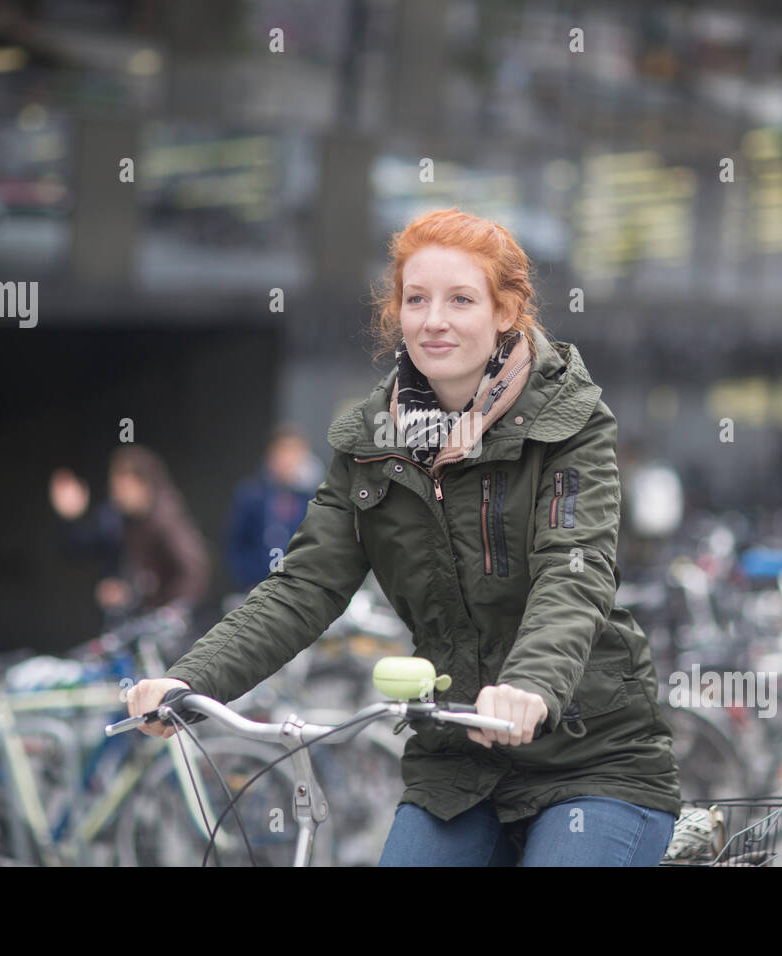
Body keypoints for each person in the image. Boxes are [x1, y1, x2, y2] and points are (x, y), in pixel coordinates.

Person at [126, 208, 682, 866]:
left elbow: (575, 568)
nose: (433, 319)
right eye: (415, 299)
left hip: (592, 756)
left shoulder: (569, 421)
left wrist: (530, 684)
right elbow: (305, 585)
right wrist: (192, 680)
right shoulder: (369, 443)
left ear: (506, 311)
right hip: (456, 764)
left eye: (461, 299)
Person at [49, 445, 212, 620]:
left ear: (142, 484)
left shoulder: (165, 519)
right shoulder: (117, 519)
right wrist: (71, 517)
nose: (116, 494)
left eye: (122, 487)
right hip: (134, 621)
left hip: (166, 627)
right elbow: (81, 545)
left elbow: (194, 571)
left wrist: (170, 612)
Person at [223, 424, 324, 592]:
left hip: (302, 590)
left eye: (294, 452)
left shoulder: (316, 498)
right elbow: (237, 543)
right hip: (257, 587)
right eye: (283, 451)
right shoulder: (251, 494)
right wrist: (248, 579)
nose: (288, 459)